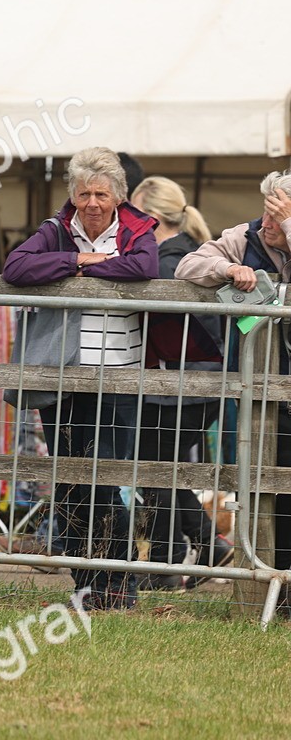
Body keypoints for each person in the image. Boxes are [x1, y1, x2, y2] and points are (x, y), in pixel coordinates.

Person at [2, 147, 158, 609]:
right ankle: (85, 585)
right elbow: (16, 268)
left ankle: (120, 585)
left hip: (118, 378)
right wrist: (77, 262)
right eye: (84, 193)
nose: (92, 203)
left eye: (101, 194)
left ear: (117, 197)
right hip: (63, 377)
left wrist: (90, 266)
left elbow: (143, 267)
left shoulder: (137, 229)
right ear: (73, 195)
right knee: (70, 483)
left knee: (103, 481)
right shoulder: (56, 229)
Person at [175, 169, 291, 576]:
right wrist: (227, 270)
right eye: (269, 211)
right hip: (260, 388)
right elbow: (188, 264)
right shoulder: (246, 236)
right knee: (262, 485)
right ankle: (267, 583)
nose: (270, 223)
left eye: (282, 215)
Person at [129, 176, 232, 590]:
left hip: (183, 387)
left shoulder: (169, 262)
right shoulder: (187, 253)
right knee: (161, 469)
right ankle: (187, 554)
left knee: (154, 469)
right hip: (191, 386)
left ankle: (180, 556)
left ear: (151, 218)